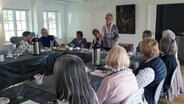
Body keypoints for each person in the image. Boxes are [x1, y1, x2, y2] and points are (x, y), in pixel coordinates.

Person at [134, 38, 167, 104]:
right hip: (150, 93)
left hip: (146, 98)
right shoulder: (158, 61)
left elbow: (133, 86)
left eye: (139, 49)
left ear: (144, 52)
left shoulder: (149, 71)